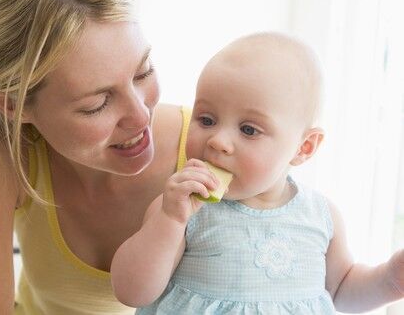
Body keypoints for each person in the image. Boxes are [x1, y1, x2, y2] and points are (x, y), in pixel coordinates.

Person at [0, 0, 193, 314]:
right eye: (96, 104)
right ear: (12, 104)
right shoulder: (10, 152)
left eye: (143, 72)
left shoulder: (219, 152)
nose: (140, 116)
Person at [110, 32, 404, 314]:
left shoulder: (320, 216)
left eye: (249, 130)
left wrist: (390, 280)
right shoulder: (181, 210)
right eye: (207, 119)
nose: (218, 141)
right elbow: (132, 292)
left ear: (303, 148)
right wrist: (170, 221)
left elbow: (340, 290)